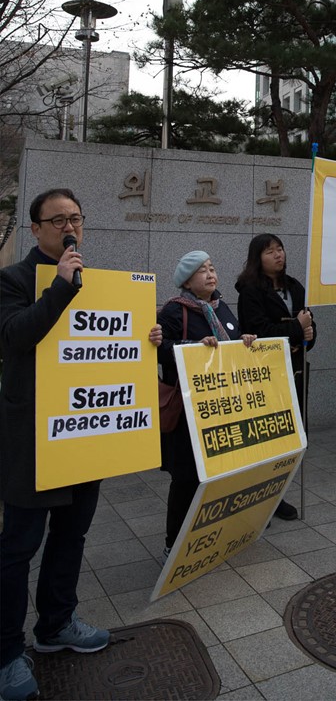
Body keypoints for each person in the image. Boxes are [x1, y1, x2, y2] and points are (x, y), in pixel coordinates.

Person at [0, 188, 162, 701]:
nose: (70, 227)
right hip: (34, 441)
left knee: (72, 535)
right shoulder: (14, 280)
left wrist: (145, 338)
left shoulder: (97, 282)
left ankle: (57, 624)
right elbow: (16, 336)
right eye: (58, 220)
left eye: (76, 218)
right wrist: (59, 288)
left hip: (83, 436)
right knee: (18, 548)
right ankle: (6, 653)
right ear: (36, 229)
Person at [157, 251, 256, 561]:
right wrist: (193, 349)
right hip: (187, 414)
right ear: (187, 281)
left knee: (218, 477)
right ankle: (173, 545)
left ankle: (210, 536)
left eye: (212, 268)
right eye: (202, 271)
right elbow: (159, 351)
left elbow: (232, 347)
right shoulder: (174, 311)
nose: (211, 274)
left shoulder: (221, 307)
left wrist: (245, 342)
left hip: (222, 408)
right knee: (186, 480)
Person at [236, 234, 316, 521]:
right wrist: (297, 328)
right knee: (264, 440)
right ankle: (256, 500)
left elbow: (309, 325)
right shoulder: (250, 291)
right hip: (265, 375)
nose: (278, 255)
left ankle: (276, 495)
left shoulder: (295, 286)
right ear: (257, 258)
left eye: (280, 249)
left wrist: (309, 334)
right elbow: (259, 333)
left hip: (295, 370)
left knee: (290, 439)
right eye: (270, 251)